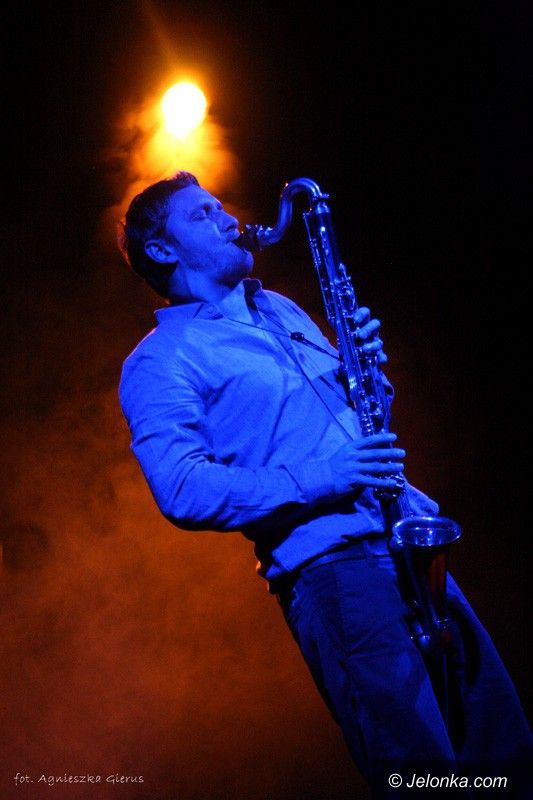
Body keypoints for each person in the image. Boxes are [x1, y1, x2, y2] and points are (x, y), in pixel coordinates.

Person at [118, 171, 533, 798]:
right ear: (160, 249)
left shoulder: (282, 310)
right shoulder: (158, 360)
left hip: (406, 539)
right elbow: (182, 489)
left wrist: (368, 376)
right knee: (421, 772)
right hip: (335, 568)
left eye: (220, 207)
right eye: (201, 215)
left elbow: (360, 431)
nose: (229, 219)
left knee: (502, 752)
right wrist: (327, 476)